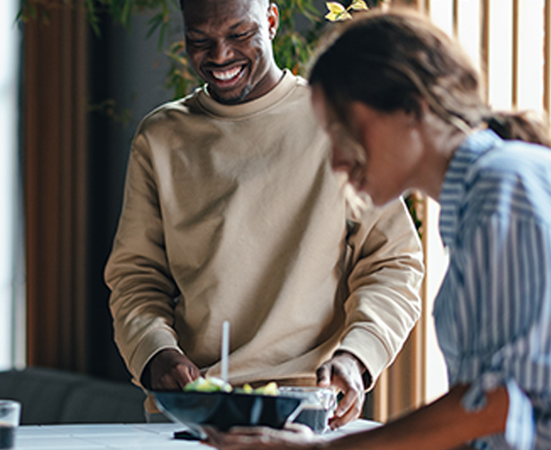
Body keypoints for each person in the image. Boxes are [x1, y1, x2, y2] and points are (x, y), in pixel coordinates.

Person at [207, 9, 551, 450]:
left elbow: (497, 403)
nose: (336, 162)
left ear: (410, 106)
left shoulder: (505, 189)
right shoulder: (477, 204)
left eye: (344, 130)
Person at [105, 0, 425, 429]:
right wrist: (155, 353)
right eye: (201, 40)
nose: (219, 56)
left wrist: (358, 355)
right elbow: (136, 277)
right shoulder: (160, 138)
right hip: (190, 409)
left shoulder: (336, 123)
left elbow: (394, 263)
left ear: (271, 21)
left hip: (308, 405)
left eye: (239, 34)